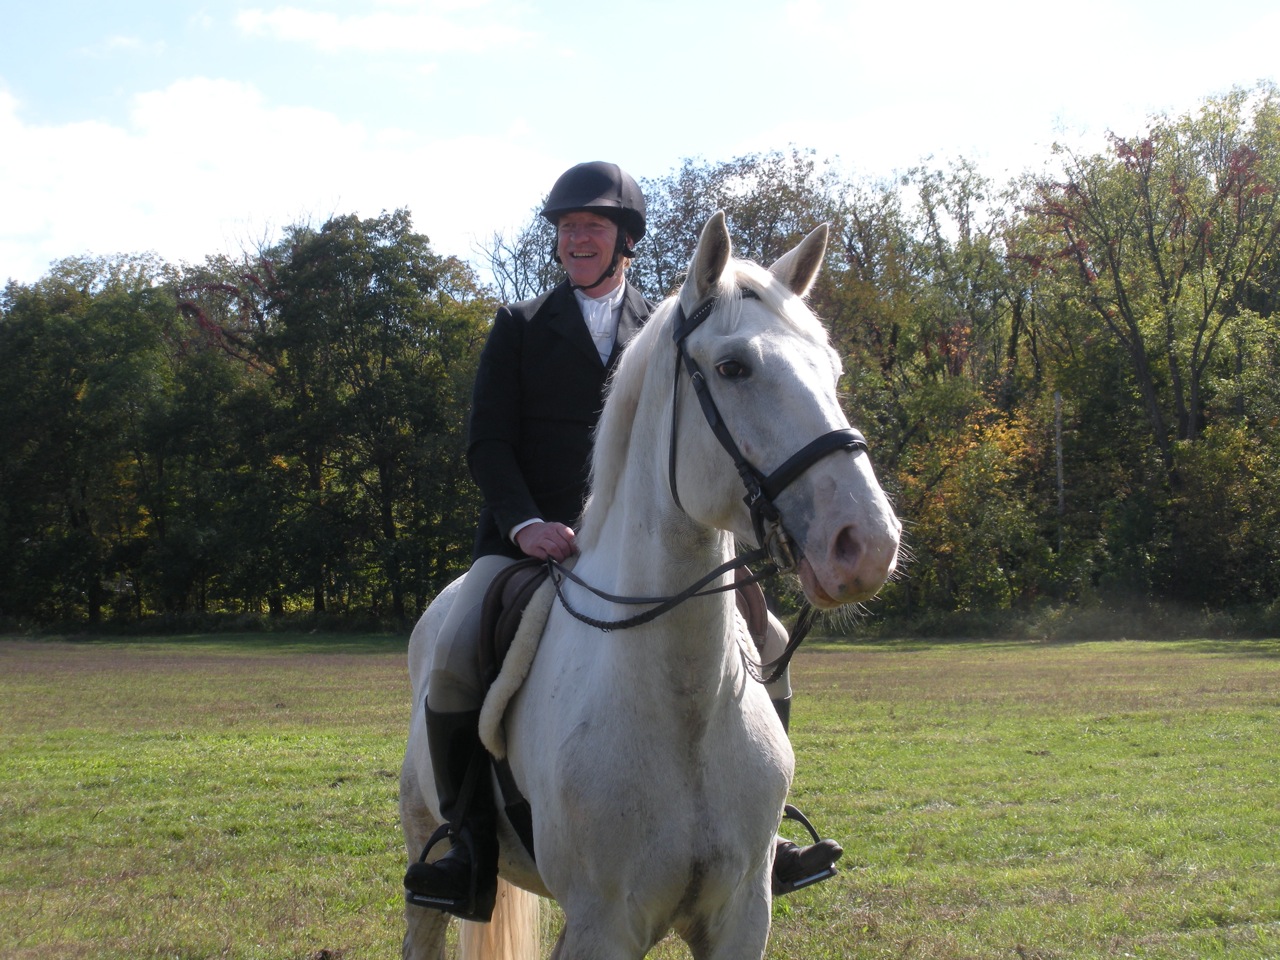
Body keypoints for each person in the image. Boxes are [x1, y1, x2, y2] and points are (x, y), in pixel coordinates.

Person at [404, 161, 840, 922]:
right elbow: (488, 443)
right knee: (453, 652)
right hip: (532, 539)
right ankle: (467, 845)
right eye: (567, 228)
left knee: (765, 639)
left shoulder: (677, 325)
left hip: (655, 539)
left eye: (593, 227)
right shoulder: (518, 326)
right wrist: (524, 523)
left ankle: (762, 838)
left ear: (624, 240)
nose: (576, 238)